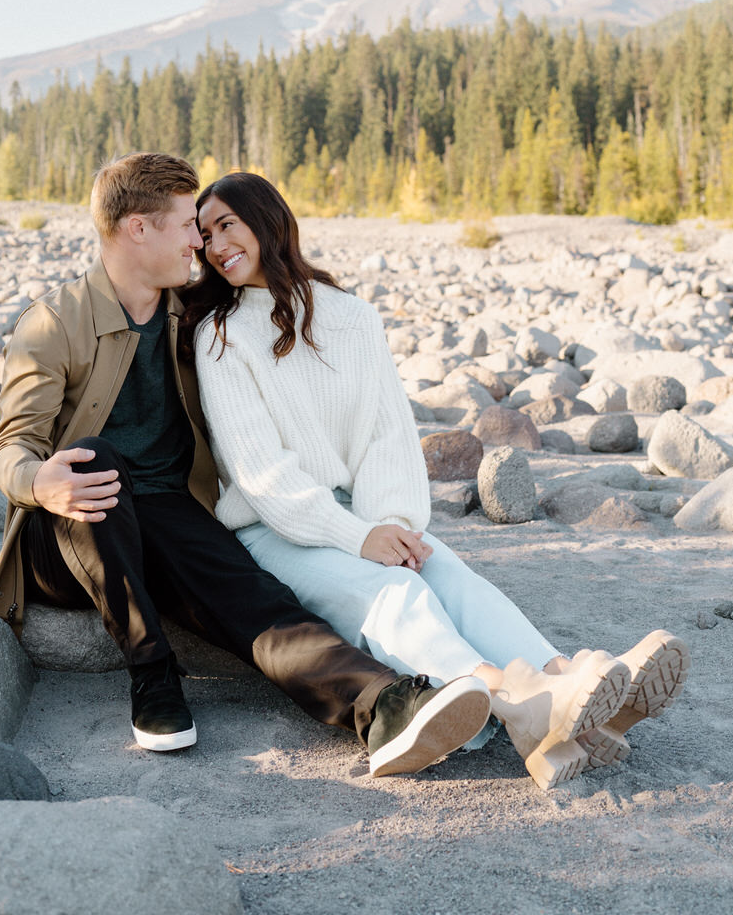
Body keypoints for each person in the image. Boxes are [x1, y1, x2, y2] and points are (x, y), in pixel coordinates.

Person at [0, 152, 495, 778]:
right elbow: (10, 449)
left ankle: (385, 705)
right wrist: (40, 482)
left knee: (260, 603)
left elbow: (283, 343)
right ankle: (152, 672)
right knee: (97, 462)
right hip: (63, 533)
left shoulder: (192, 317)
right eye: (189, 224)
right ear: (139, 228)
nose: (201, 241)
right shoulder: (52, 324)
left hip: (166, 516)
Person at [184, 171, 690, 791]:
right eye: (205, 234)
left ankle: (564, 686)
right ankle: (519, 704)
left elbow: (386, 437)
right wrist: (356, 536)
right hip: (277, 527)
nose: (215, 244)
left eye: (226, 224)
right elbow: (261, 474)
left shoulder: (351, 317)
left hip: (364, 513)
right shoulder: (221, 336)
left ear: (266, 219)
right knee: (398, 594)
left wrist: (390, 524)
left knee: (450, 576)